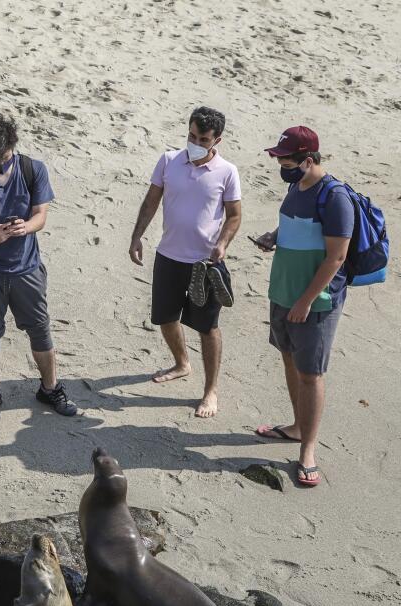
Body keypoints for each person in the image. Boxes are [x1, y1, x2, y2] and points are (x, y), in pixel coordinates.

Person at [0, 112, 77, 422]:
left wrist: (27, 227)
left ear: (12, 145)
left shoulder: (33, 170)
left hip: (26, 269)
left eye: (0, 154)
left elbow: (41, 215)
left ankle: (50, 388)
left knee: (39, 328)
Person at [252, 126, 352, 487]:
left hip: (315, 302)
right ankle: (296, 426)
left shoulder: (335, 197)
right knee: (289, 358)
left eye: (286, 160)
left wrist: (306, 300)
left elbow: (337, 257)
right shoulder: (296, 186)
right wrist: (273, 236)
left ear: (308, 160)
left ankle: (308, 450)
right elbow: (293, 225)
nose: (281, 166)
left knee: (311, 374)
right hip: (282, 291)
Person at [129, 107, 242, 418]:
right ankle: (182, 363)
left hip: (204, 264)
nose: (195, 142)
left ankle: (210, 391)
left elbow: (234, 216)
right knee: (165, 318)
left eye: (202, 139)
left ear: (216, 140)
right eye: (191, 135)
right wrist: (137, 236)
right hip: (168, 257)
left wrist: (222, 244)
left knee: (208, 328)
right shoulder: (169, 161)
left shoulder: (227, 172)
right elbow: (151, 200)